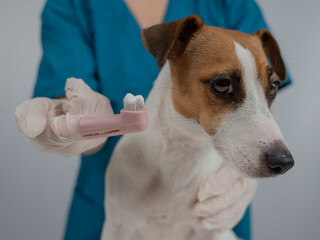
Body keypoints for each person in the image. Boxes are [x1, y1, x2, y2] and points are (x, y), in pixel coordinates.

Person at [15, 0, 291, 239]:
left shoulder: (230, 2)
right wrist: (64, 120)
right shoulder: (73, 5)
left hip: (209, 217)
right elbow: (66, 97)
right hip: (110, 201)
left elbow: (255, 92)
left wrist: (244, 176)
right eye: (222, 86)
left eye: (272, 88)